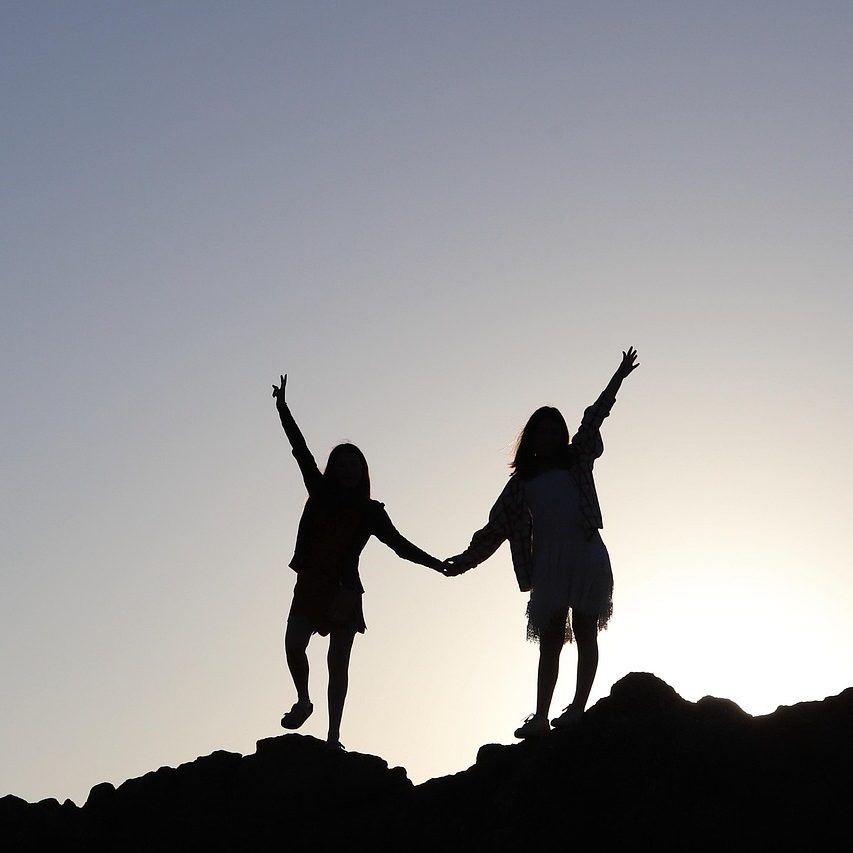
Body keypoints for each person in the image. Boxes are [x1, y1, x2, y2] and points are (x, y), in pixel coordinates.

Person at [444, 348, 639, 738]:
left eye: (555, 430)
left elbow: (595, 415)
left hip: (585, 552)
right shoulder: (522, 484)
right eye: (542, 430)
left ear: (562, 435)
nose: (549, 436)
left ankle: (578, 708)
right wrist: (464, 561)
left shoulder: (577, 459)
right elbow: (494, 529)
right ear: (531, 437)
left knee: (585, 631)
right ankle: (540, 717)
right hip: (548, 562)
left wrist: (618, 377)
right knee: (550, 641)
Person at [272, 374, 444, 749]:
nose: (348, 471)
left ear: (363, 473)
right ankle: (303, 700)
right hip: (311, 583)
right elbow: (300, 451)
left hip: (345, 590)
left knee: (338, 664)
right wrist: (283, 409)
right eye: (342, 465)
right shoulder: (318, 491)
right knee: (293, 644)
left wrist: (437, 564)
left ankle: (334, 736)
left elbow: (400, 546)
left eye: (355, 466)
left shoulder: (371, 512)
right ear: (333, 470)